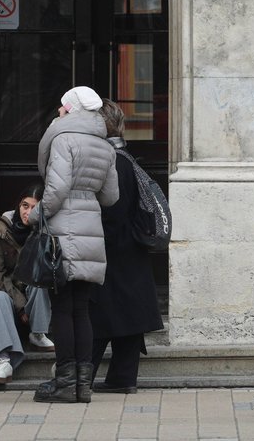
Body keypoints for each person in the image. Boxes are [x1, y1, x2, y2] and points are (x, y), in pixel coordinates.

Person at [31, 86, 118, 404]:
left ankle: (65, 384)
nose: (58, 111)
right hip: (91, 232)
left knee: (61, 310)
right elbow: (110, 197)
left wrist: (36, 214)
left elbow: (56, 189)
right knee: (81, 310)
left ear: (71, 110)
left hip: (63, 233)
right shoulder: (105, 145)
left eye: (62, 107)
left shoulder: (63, 139)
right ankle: (83, 385)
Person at [89, 100, 164, 394]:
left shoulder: (113, 160)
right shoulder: (124, 157)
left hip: (113, 247)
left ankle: (85, 374)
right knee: (128, 315)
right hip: (128, 248)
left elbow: (113, 209)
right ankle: (122, 377)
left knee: (98, 314)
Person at [0, 183, 54, 387]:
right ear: (18, 205)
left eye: (34, 208)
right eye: (25, 206)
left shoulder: (45, 230)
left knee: (39, 282)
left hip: (36, 302)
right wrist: (20, 304)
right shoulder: (2, 228)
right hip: (12, 302)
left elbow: (44, 270)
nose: (28, 212)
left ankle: (38, 333)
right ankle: (3, 362)